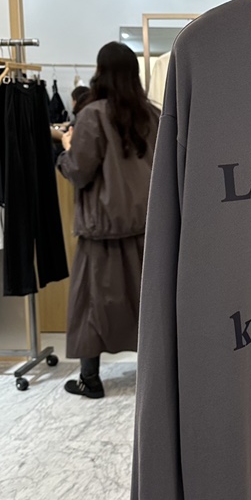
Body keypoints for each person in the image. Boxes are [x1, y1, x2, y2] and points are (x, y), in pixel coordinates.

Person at [56, 43, 160, 397]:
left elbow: (79, 170)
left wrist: (64, 152)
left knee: (91, 305)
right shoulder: (153, 115)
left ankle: (90, 379)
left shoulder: (92, 115)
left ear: (100, 71)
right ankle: (156, 380)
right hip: (147, 228)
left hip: (102, 230)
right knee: (147, 305)